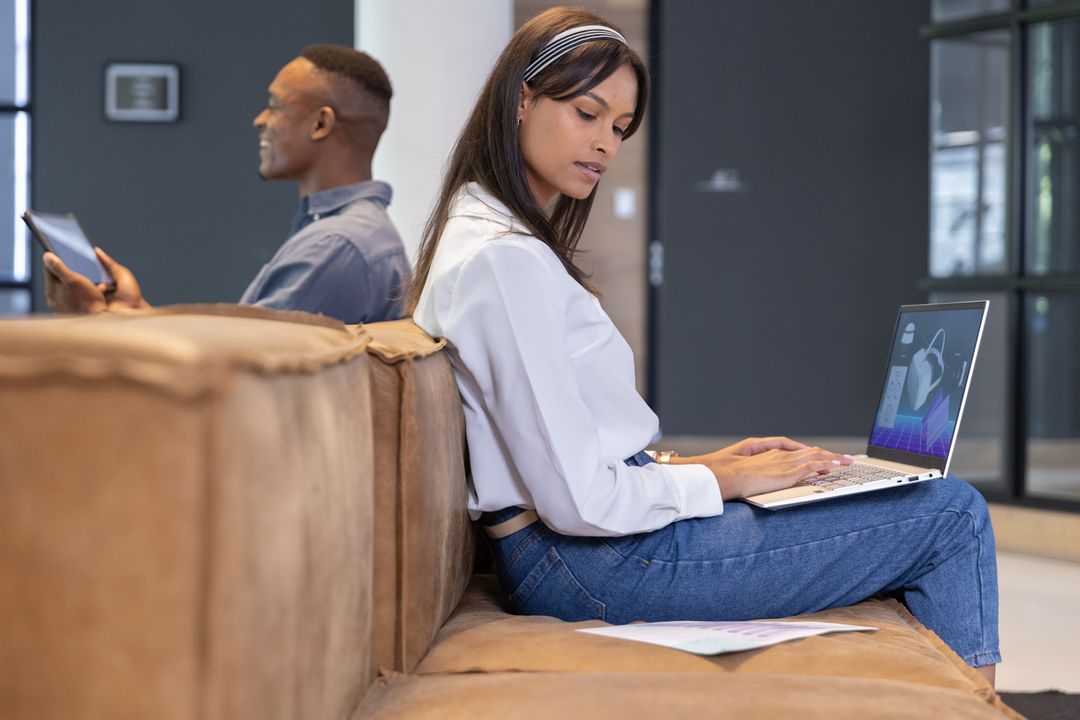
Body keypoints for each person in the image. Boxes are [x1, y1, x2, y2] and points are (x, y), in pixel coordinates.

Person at [408, 7, 1000, 686]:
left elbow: (568, 452)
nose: (605, 143)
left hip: (580, 550)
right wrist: (728, 480)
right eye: (587, 112)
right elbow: (575, 500)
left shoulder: (491, 238)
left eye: (620, 128)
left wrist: (706, 464)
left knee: (863, 495)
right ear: (522, 99)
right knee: (953, 515)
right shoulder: (502, 262)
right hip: (592, 563)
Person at [43, 45, 410, 325]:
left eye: (275, 105)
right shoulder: (350, 235)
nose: (259, 120)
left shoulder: (336, 246)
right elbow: (232, 348)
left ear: (320, 125)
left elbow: (232, 373)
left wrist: (96, 316)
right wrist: (133, 310)